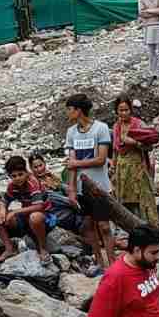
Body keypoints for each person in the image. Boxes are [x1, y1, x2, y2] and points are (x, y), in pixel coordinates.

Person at [64, 94, 114, 269]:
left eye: (70, 109)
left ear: (78, 110)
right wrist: (71, 188)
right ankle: (100, 261)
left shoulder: (101, 128)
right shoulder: (71, 132)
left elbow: (101, 159)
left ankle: (112, 262)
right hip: (81, 187)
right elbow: (71, 164)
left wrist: (76, 163)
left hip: (100, 185)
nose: (68, 113)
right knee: (89, 224)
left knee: (105, 226)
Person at [111, 95, 159, 226]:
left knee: (142, 197)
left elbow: (149, 147)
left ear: (130, 110)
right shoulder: (116, 127)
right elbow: (115, 149)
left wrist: (134, 142)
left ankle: (148, 227)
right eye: (121, 110)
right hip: (122, 168)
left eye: (126, 110)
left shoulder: (139, 124)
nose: (123, 113)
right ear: (116, 111)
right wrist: (113, 167)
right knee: (125, 199)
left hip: (137, 167)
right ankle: (131, 228)